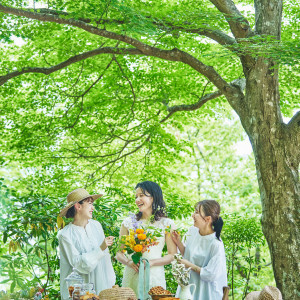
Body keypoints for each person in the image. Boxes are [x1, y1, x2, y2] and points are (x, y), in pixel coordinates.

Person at [115, 181, 177, 296]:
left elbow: (172, 255)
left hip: (154, 275)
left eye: (141, 195)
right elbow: (119, 253)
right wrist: (129, 262)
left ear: (153, 197)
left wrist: (151, 263)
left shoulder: (167, 224)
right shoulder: (128, 223)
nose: (137, 199)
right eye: (136, 196)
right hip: (131, 275)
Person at [58, 188, 116, 300]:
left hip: (101, 288)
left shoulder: (96, 226)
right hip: (78, 293)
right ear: (78, 206)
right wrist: (100, 249)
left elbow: (106, 261)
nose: (92, 207)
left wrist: (109, 285)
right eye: (89, 203)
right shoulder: (65, 235)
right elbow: (78, 264)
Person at [171, 200, 227, 300]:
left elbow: (211, 274)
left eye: (197, 212)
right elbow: (187, 255)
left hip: (205, 291)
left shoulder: (216, 244)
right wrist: (178, 242)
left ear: (207, 219)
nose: (193, 215)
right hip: (188, 287)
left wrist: (189, 265)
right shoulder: (192, 231)